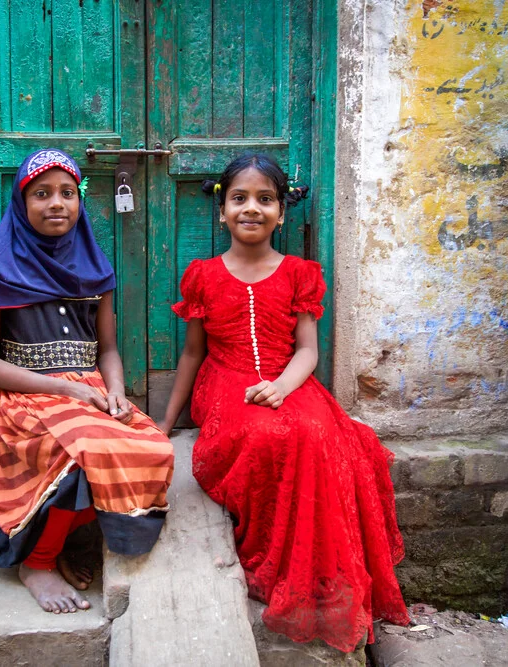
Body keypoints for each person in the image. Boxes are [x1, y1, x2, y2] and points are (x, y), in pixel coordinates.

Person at [156, 153, 409, 651]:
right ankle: (272, 557)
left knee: (317, 437)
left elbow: (308, 350)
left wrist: (283, 387)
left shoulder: (298, 272)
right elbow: (192, 354)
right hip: (225, 382)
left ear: (282, 211)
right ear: (222, 211)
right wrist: (163, 424)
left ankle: (314, 579)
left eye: (265, 199)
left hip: (289, 380)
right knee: (265, 434)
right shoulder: (203, 275)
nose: (252, 208)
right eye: (240, 198)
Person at [0, 149, 174, 615]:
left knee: (153, 449)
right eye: (41, 193)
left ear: (80, 202)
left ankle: (56, 538)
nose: (56, 203)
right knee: (80, 453)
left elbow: (107, 348)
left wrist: (114, 392)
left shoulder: (95, 267)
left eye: (68, 193)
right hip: (25, 396)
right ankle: (37, 563)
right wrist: (67, 389)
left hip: (88, 392)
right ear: (21, 202)